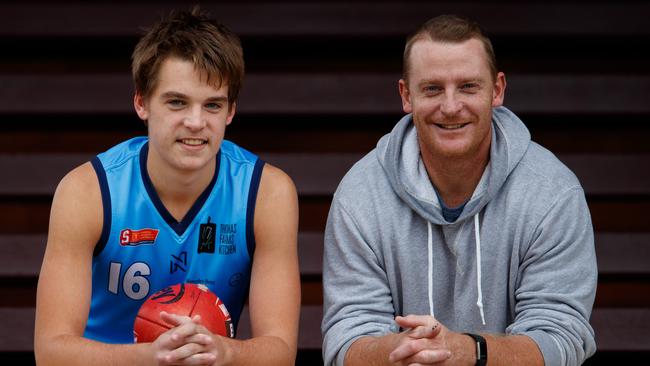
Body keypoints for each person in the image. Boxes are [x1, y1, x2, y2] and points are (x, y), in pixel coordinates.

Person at [322, 14, 596, 366]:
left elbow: (561, 338)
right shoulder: (360, 196)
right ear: (406, 95)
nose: (450, 107)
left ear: (497, 90)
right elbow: (348, 339)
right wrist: (407, 353)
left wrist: (470, 351)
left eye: (468, 86)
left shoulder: (552, 193)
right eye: (433, 88)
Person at [34, 7, 300, 366]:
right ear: (142, 102)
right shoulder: (88, 191)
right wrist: (152, 356)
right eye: (177, 102)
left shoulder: (267, 192)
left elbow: (280, 350)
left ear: (231, 111)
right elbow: (51, 352)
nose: (195, 122)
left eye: (212, 105)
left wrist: (225, 351)